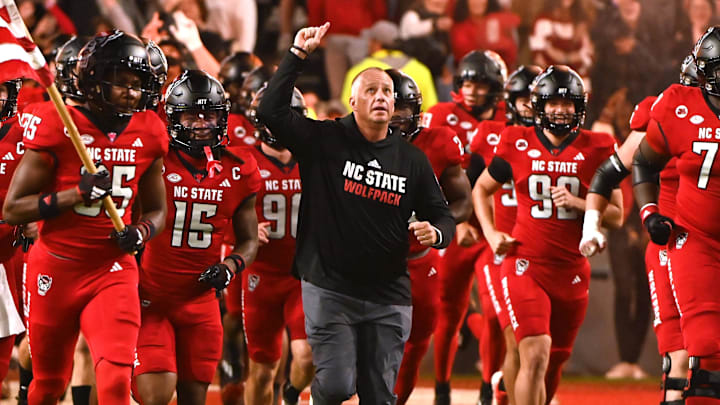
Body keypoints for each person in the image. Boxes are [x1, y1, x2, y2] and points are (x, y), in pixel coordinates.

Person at [257, 22, 456, 404]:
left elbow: (441, 212)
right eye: (371, 90)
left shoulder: (411, 158)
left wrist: (439, 232)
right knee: (334, 386)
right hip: (331, 287)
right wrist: (297, 56)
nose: (381, 97)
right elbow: (271, 110)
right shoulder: (323, 140)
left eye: (387, 92)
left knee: (380, 396)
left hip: (388, 292)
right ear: (353, 102)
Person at [2, 30, 169, 405]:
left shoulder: (150, 131)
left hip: (112, 270)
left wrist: (142, 230)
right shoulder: (59, 124)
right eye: (122, 82)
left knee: (114, 383)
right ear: (95, 79)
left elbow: (159, 211)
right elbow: (13, 208)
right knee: (48, 385)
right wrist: (74, 194)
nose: (131, 91)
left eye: (137, 84)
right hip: (56, 268)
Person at [473, 65, 623, 405]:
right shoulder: (515, 141)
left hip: (571, 268)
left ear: (579, 107)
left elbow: (617, 215)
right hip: (525, 263)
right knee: (534, 352)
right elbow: (481, 189)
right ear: (538, 105)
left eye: (568, 104)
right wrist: (491, 232)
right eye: (553, 102)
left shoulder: (598, 147)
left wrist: (581, 203)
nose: (560, 109)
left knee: (554, 361)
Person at [132, 69, 260, 405]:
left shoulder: (239, 168)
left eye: (210, 115)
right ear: (173, 118)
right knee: (156, 392)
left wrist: (231, 266)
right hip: (150, 298)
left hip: (201, 303)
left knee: (195, 398)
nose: (202, 123)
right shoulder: (154, 159)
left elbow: (249, 239)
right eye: (191, 115)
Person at [581, 55, 699, 405]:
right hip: (670, 242)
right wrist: (591, 225)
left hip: (711, 244)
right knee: (681, 352)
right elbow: (607, 174)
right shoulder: (664, 114)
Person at [632, 26, 720, 405]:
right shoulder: (678, 106)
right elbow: (642, 164)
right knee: (703, 342)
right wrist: (650, 212)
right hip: (694, 238)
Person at [384, 69, 472, 405]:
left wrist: (437, 227)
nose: (394, 125)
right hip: (365, 260)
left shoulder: (438, 143)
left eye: (401, 118)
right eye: (387, 116)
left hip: (419, 261)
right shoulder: (350, 141)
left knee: (417, 342)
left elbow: (462, 200)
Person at [424, 48, 506, 405]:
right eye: (467, 82)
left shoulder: (509, 119)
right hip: (456, 224)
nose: (471, 90)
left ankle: (488, 387)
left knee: (493, 314)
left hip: (494, 227)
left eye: (481, 83)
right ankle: (442, 387)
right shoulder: (440, 116)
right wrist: (451, 221)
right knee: (449, 312)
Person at [224, 85, 313, 405]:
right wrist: (240, 233)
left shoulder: (313, 159)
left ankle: (290, 395)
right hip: (260, 276)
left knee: (308, 356)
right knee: (262, 369)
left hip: (303, 275)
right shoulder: (242, 161)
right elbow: (217, 215)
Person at [469, 64, 541, 405]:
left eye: (534, 99)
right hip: (501, 247)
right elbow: (470, 186)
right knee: (513, 335)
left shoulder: (555, 140)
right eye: (522, 99)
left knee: (540, 347)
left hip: (540, 250)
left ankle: (504, 389)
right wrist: (474, 225)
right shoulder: (492, 134)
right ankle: (498, 390)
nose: (528, 105)